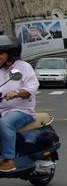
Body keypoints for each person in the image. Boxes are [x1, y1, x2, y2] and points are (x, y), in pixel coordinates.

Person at [0, 36, 39, 172]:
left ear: (11, 54)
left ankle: (8, 160)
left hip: (22, 110)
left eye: (1, 53)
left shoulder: (24, 67)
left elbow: (31, 89)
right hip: (2, 109)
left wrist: (16, 92)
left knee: (5, 123)